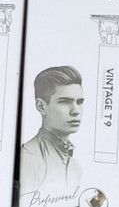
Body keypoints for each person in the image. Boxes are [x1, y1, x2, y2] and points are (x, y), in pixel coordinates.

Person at [21, 66, 84, 195]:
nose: (76, 111)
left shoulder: (75, 168)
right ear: (41, 106)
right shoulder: (29, 159)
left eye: (79, 102)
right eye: (65, 102)